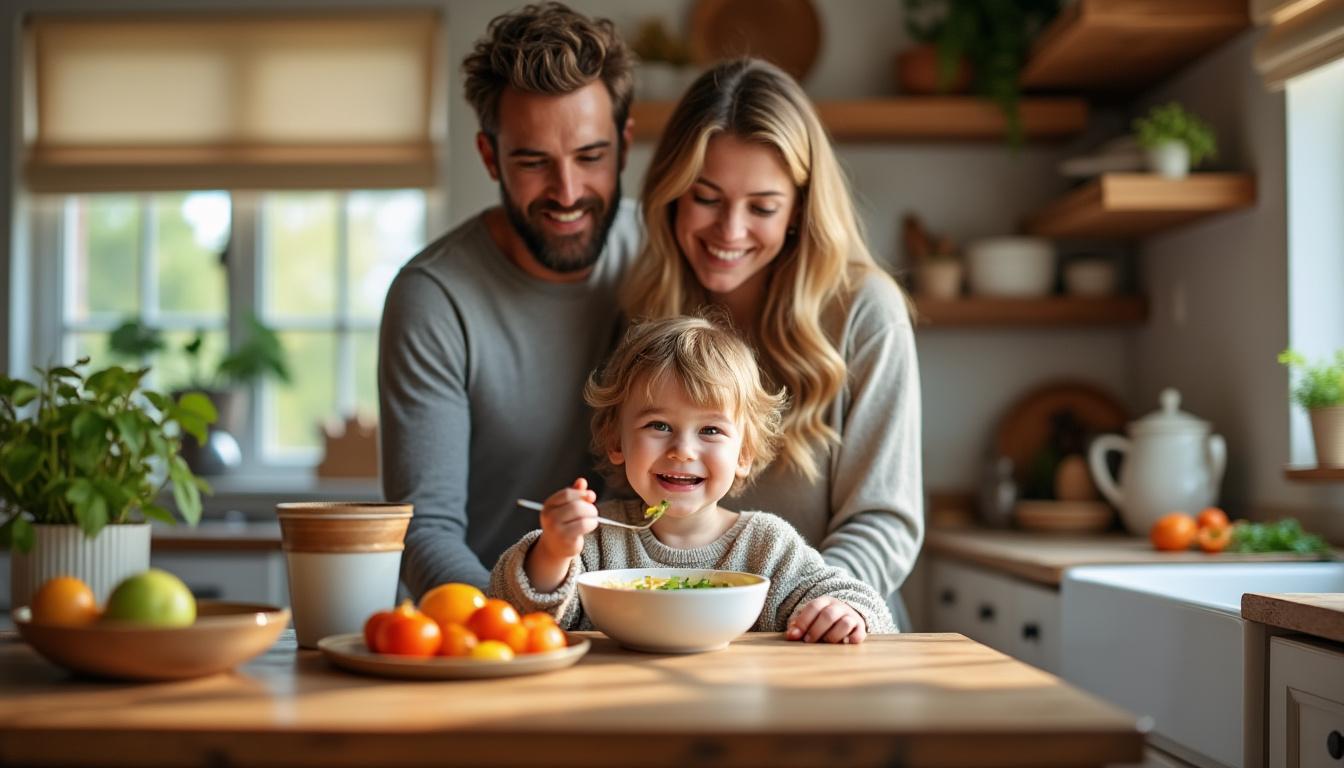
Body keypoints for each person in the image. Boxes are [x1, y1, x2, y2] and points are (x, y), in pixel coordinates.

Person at [620, 58, 923, 627]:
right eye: (707, 197)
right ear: (672, 193)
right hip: (684, 632)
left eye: (762, 207)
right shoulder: (646, 311)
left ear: (798, 212)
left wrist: (819, 606)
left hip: (825, 633)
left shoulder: (864, 311)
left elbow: (885, 517)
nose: (729, 232)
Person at [379, 3, 641, 598]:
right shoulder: (434, 298)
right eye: (532, 162)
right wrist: (516, 627)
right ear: (490, 156)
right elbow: (426, 533)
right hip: (490, 634)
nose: (568, 191)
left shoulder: (663, 254)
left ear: (624, 147)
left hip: (642, 625)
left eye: (591, 157)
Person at [490, 316, 896, 643]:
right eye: (659, 425)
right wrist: (554, 552)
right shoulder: (593, 544)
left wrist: (845, 613)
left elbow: (860, 601)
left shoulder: (766, 547)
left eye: (710, 431)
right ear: (617, 441)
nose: (683, 450)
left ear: (745, 453)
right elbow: (512, 615)